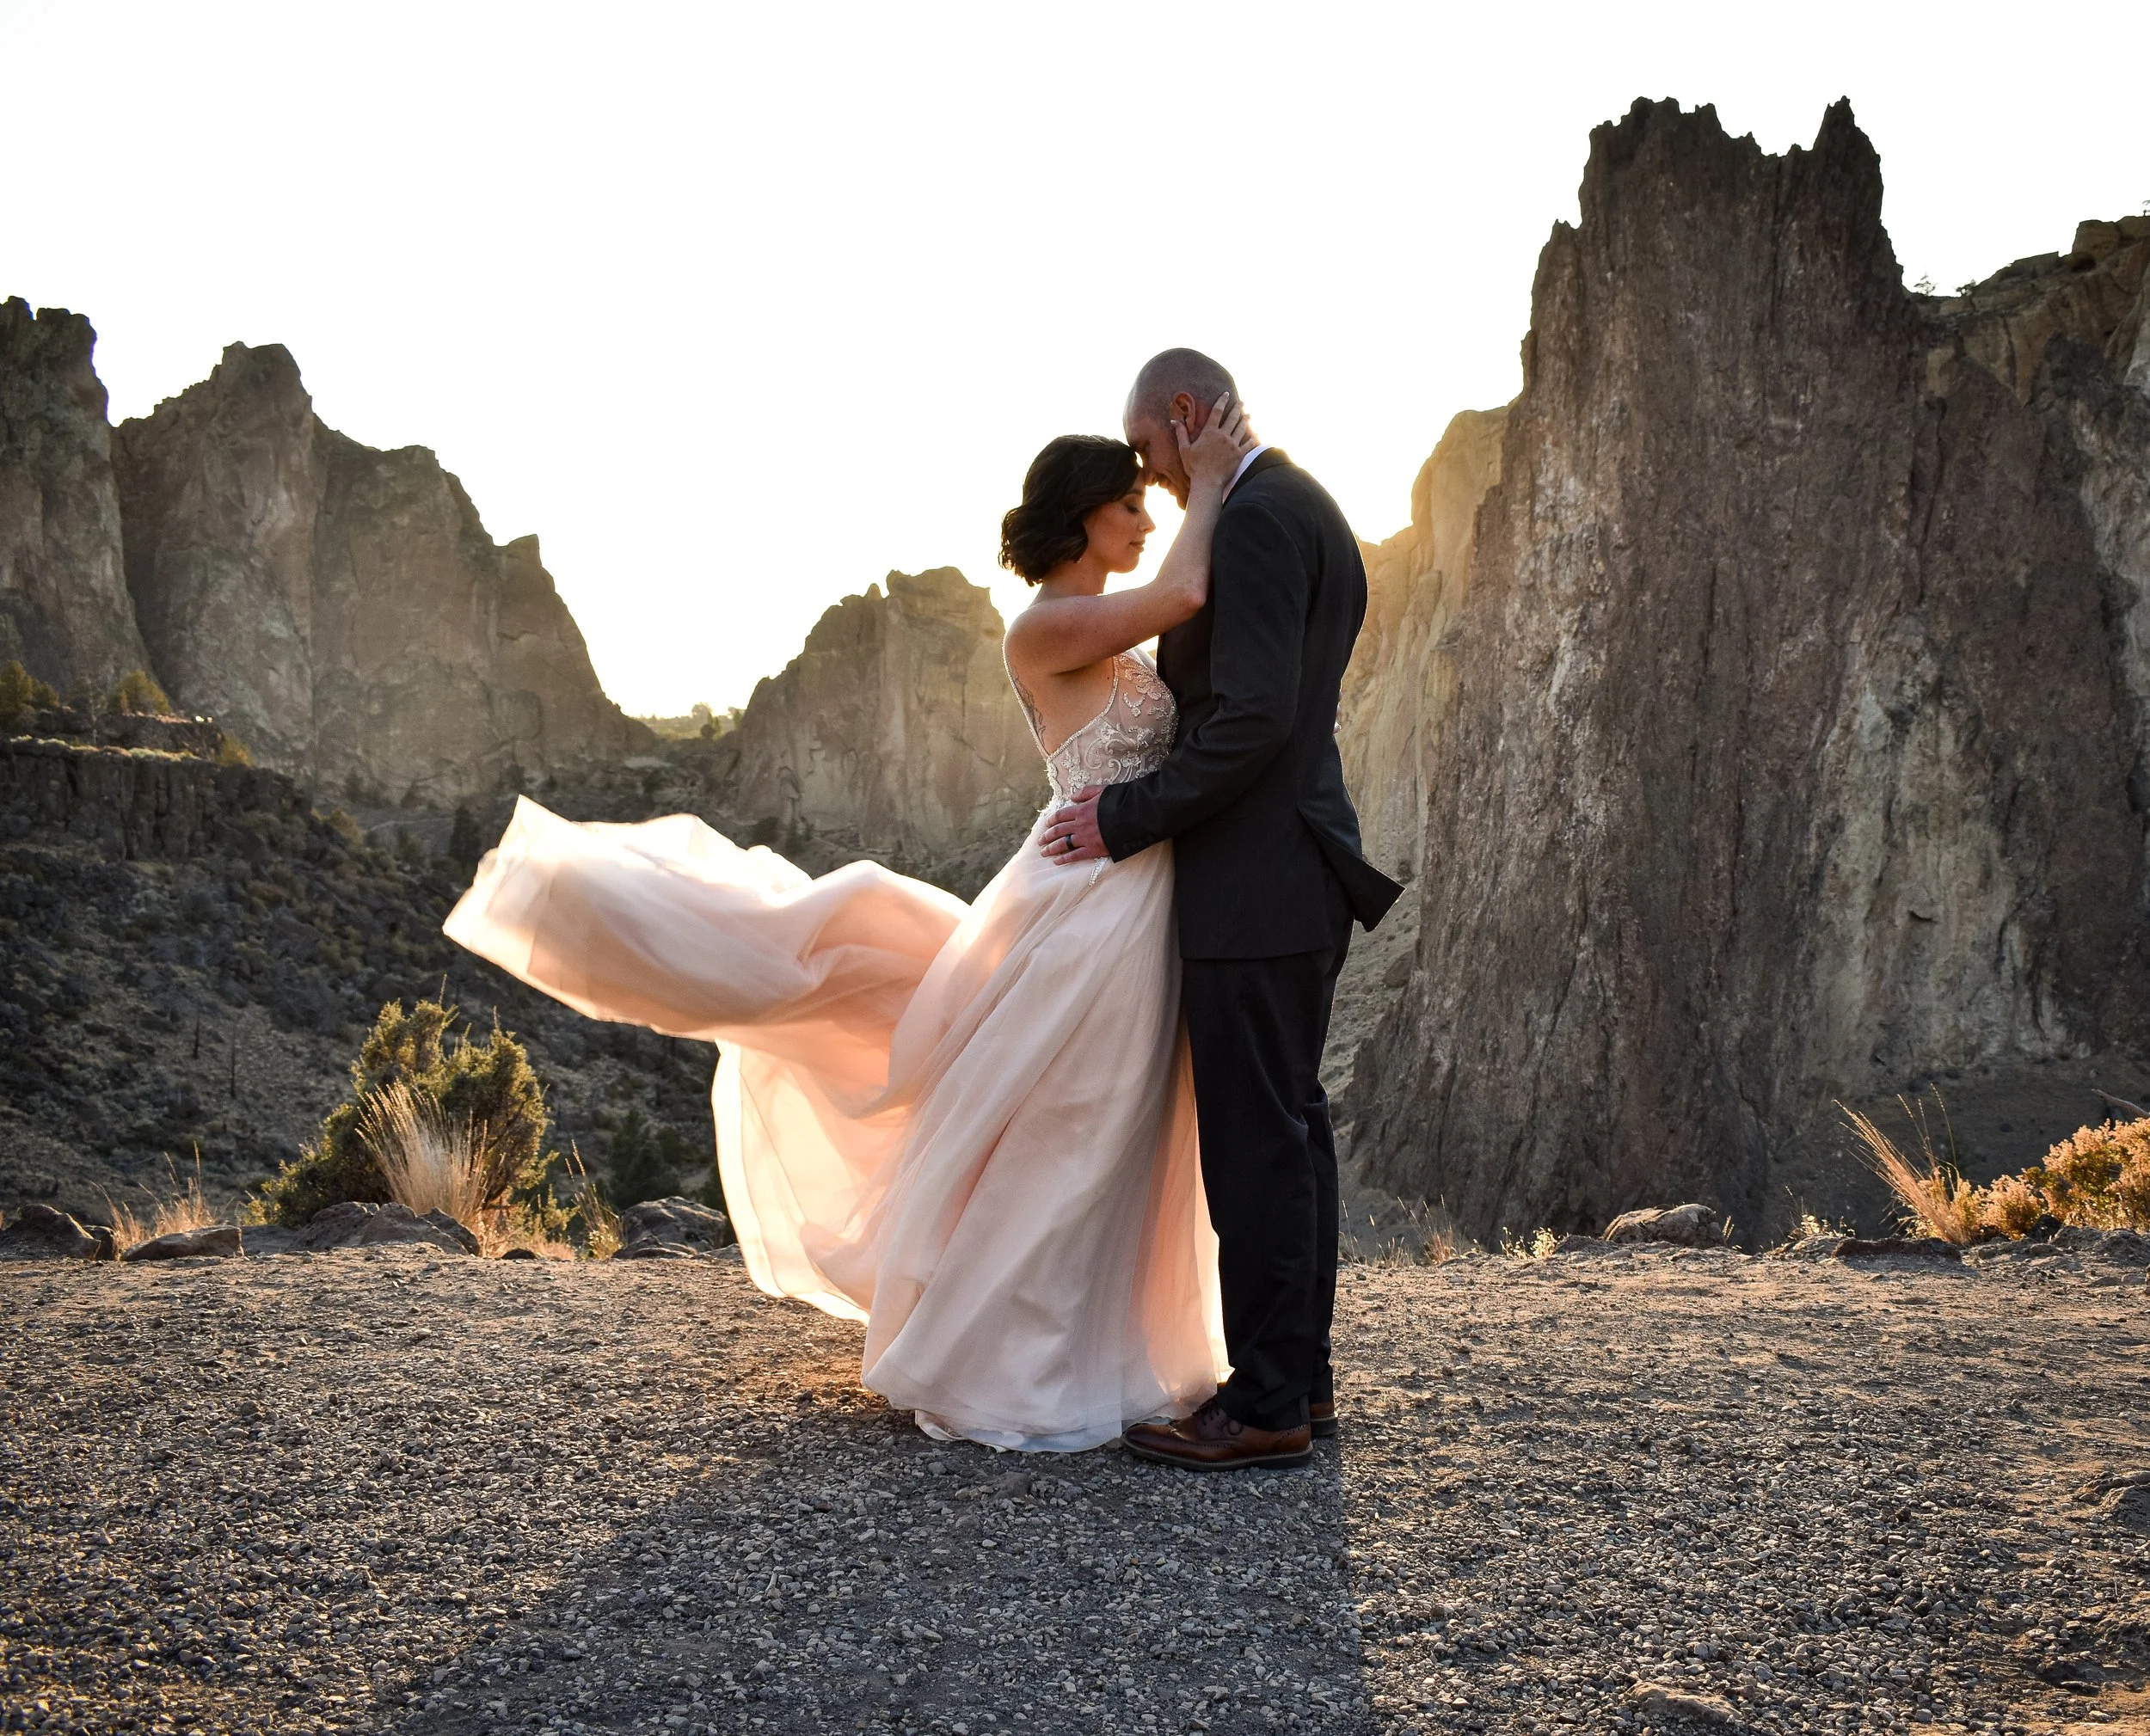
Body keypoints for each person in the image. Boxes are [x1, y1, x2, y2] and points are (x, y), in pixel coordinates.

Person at [442, 398, 1258, 1453]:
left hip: (1120, 889)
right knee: (1073, 1123)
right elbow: (1186, 589)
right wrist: (1214, 468)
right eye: (1131, 505)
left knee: (1110, 1126)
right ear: (1085, 516)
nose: (1147, 521)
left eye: (1152, 505)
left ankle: (1093, 1347)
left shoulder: (1096, 615)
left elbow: (1172, 606)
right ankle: (1011, 1359)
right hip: (1092, 902)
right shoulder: (1044, 626)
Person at [1044, 348, 1403, 1471]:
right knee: (1292, 1129)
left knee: (1257, 1144)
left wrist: (1125, 816)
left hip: (1254, 878)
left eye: (1152, 449)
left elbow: (1247, 719)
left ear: (1186, 415)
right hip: (1302, 863)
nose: (1150, 476)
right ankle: (1302, 1377)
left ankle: (1263, 1404)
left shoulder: (1251, 522)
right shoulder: (1314, 505)